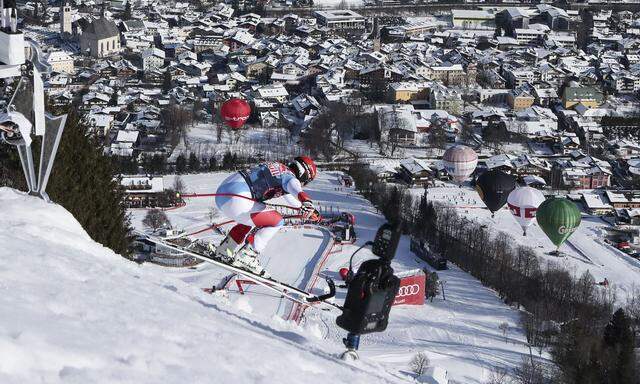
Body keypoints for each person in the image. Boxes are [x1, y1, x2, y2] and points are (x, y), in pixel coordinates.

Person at [212, 156, 318, 277]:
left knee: (252, 218)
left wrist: (309, 209)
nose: (304, 183)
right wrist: (307, 201)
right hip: (237, 198)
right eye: (306, 180)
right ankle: (247, 255)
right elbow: (295, 187)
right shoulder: (289, 176)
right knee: (277, 221)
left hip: (223, 194)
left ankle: (226, 248)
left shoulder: (278, 167)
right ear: (304, 172)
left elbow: (292, 200)